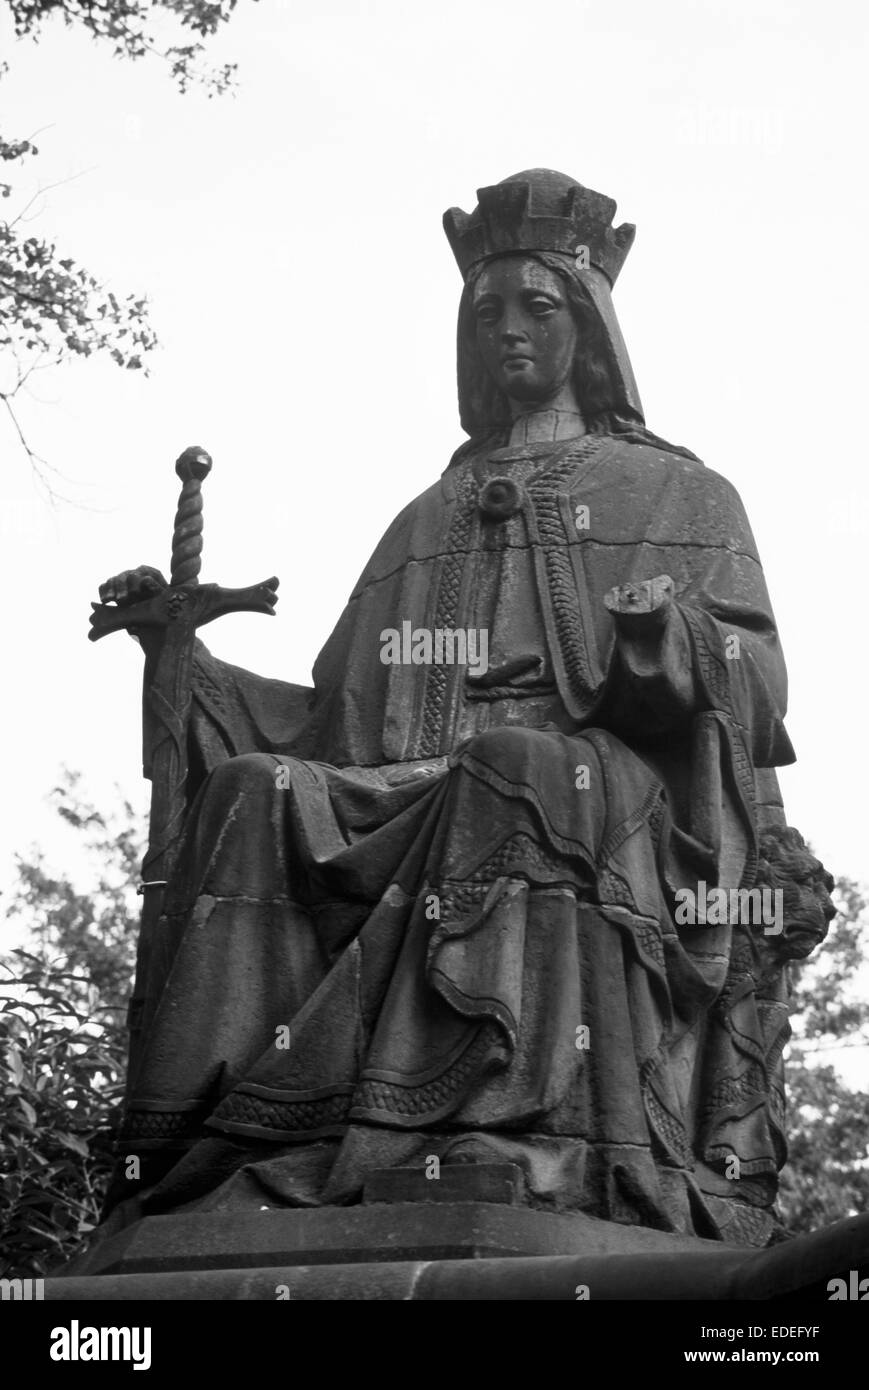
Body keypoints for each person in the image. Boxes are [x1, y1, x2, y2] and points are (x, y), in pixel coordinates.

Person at [98, 169, 832, 1245]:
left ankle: (509, 1127)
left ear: (589, 327)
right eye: (485, 313)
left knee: (518, 766)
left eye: (536, 307)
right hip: (411, 784)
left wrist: (661, 638)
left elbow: (753, 681)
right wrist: (184, 664)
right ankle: (232, 1151)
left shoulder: (679, 494)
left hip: (610, 805)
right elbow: (326, 722)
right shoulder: (424, 516)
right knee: (259, 791)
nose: (509, 332)